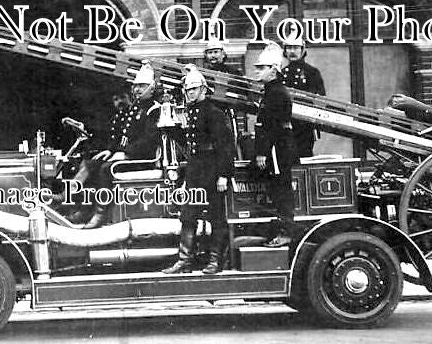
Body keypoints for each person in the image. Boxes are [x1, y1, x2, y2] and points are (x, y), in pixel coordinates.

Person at [162, 65, 235, 275]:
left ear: (203, 89)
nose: (189, 93)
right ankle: (184, 260)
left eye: (193, 89)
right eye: (187, 90)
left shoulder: (214, 113)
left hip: (212, 168)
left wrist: (223, 175)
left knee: (216, 216)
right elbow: (191, 143)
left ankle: (215, 261)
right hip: (196, 169)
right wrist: (171, 129)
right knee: (188, 214)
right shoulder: (193, 112)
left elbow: (225, 146)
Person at [82, 62, 162, 228]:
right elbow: (125, 135)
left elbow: (149, 140)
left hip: (142, 159)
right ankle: (85, 209)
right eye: (136, 86)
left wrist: (126, 153)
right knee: (93, 163)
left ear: (151, 88)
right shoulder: (136, 108)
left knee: (106, 169)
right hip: (130, 155)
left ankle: (101, 213)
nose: (137, 90)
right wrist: (112, 150)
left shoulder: (154, 109)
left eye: (142, 86)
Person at [253, 42, 298, 248]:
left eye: (261, 68)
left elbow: (271, 127)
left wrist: (262, 152)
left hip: (278, 149)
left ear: (273, 70)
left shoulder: (277, 93)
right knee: (277, 188)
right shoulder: (271, 91)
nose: (257, 71)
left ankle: (286, 232)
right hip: (276, 148)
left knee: (282, 190)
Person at [280, 35, 325, 157]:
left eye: (296, 48)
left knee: (304, 154)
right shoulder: (281, 74)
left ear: (302, 49)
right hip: (287, 123)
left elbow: (320, 98)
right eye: (289, 48)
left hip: (306, 124)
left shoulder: (312, 72)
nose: (292, 51)